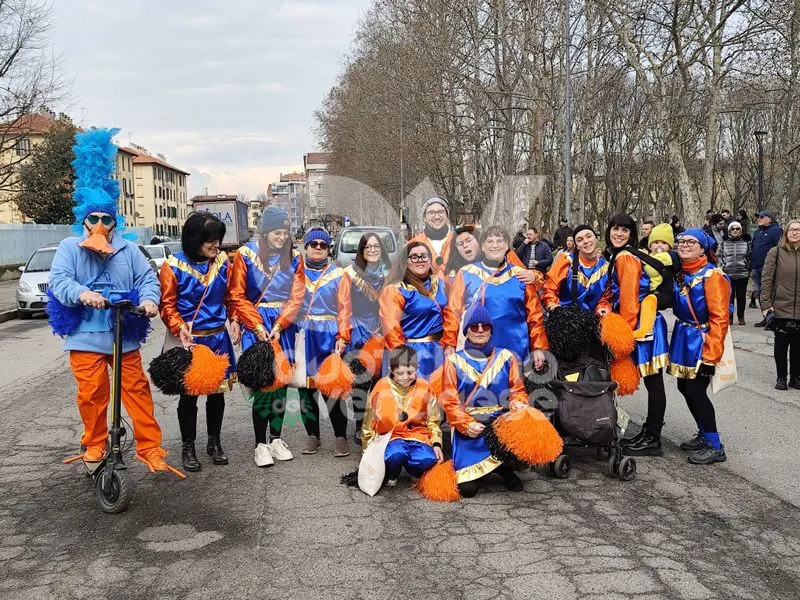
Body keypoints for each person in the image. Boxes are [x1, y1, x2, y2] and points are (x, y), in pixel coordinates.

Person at [47, 128, 176, 474]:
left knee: (136, 390)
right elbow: (59, 281)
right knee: (92, 394)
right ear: (84, 220)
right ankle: (94, 444)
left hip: (123, 333)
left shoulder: (129, 249)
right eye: (94, 218)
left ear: (115, 220)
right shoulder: (68, 248)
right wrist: (82, 293)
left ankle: (150, 447)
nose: (101, 224)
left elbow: (148, 279)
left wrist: (150, 301)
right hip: (86, 334)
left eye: (107, 218)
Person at [159, 212, 238, 472]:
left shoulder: (223, 262)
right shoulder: (173, 266)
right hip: (190, 341)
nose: (216, 246)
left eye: (218, 241)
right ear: (194, 240)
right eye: (210, 242)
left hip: (218, 339)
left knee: (217, 394)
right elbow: (167, 305)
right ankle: (188, 447)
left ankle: (214, 442)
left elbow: (230, 296)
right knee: (189, 397)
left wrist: (235, 319)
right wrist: (179, 327)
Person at [229, 206, 305, 467]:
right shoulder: (245, 255)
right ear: (264, 232)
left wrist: (282, 323)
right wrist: (256, 324)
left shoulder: (295, 257)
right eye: (276, 232)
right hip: (257, 323)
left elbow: (297, 295)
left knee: (281, 385)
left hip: (283, 324)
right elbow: (237, 295)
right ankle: (260, 444)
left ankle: (276, 439)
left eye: (285, 233)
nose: (281, 237)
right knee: (263, 384)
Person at [438, 305, 530, 497]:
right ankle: (489, 467)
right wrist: (466, 424)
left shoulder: (506, 357)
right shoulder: (454, 361)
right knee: (467, 491)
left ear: (491, 329)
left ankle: (504, 467)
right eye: (474, 326)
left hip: (500, 424)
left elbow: (518, 390)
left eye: (485, 326)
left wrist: (518, 403)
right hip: (471, 427)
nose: (480, 330)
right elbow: (450, 401)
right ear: (467, 331)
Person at [285, 227, 354, 457]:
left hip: (328, 334)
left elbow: (345, 308)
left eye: (322, 245)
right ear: (305, 247)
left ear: (328, 249)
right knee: (305, 391)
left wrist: (343, 336)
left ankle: (340, 436)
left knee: (332, 388)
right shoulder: (295, 273)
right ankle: (313, 435)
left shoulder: (338, 274)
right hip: (302, 334)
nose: (317, 248)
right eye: (313, 244)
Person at [605, 214, 670, 457]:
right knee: (654, 383)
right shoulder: (622, 254)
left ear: (631, 234)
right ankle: (649, 433)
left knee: (654, 383)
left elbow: (630, 300)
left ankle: (653, 438)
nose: (619, 234)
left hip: (643, 326)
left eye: (624, 230)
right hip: (643, 322)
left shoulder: (625, 257)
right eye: (615, 229)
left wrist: (625, 336)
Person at [667, 229, 730, 464]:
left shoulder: (713, 276)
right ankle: (704, 434)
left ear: (703, 248)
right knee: (684, 388)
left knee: (695, 390)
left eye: (690, 242)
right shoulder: (680, 273)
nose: (684, 245)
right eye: (681, 241)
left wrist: (710, 356)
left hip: (702, 340)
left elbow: (720, 318)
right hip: (683, 337)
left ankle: (715, 445)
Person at [444, 225, 549, 366]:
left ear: (507, 246)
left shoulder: (521, 275)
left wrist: (538, 347)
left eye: (500, 241)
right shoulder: (466, 273)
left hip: (516, 350)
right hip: (477, 351)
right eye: (490, 241)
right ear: (482, 246)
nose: (495, 245)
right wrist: (449, 343)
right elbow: (453, 311)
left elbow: (534, 315)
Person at [360, 346, 443, 486]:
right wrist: (367, 449)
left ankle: (415, 472)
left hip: (418, 435)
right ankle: (392, 473)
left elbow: (433, 420)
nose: (405, 377)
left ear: (418, 367)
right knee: (396, 454)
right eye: (400, 373)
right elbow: (369, 421)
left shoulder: (425, 387)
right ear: (391, 370)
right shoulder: (381, 387)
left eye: (410, 372)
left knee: (428, 459)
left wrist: (436, 443)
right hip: (391, 436)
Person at [343, 232, 391, 442]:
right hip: (359, 332)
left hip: (384, 333)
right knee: (360, 383)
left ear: (382, 249)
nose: (372, 250)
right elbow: (343, 305)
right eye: (367, 247)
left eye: (376, 246)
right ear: (361, 251)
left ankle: (381, 424)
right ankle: (359, 425)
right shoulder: (350, 274)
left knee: (383, 381)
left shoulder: (392, 274)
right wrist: (345, 334)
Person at [379, 240, 450, 380]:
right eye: (414, 257)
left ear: (430, 260)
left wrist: (449, 343)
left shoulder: (441, 283)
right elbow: (391, 329)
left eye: (424, 256)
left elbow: (450, 314)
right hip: (411, 353)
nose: (420, 260)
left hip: (439, 351)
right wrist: (402, 361)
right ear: (405, 262)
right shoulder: (395, 289)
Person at [760, 220, 800, 390]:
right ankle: (781, 377)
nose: (795, 233)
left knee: (798, 347)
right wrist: (766, 304)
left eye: (798, 230)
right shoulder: (775, 252)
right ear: (786, 233)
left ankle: (796, 378)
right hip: (780, 306)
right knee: (781, 345)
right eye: (792, 230)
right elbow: (767, 279)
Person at [542, 224, 612, 317]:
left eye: (589, 236)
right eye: (580, 240)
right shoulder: (566, 260)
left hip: (594, 324)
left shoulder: (606, 267)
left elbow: (606, 297)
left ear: (596, 239)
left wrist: (603, 308)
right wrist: (554, 306)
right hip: (566, 322)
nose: (586, 241)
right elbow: (550, 288)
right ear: (577, 246)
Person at [752, 210, 783, 325]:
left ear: (769, 219)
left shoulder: (776, 231)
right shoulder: (756, 232)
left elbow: (779, 249)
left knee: (771, 293)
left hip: (770, 269)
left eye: (761, 217)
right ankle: (765, 317)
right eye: (758, 217)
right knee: (760, 293)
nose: (758, 219)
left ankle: (774, 319)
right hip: (756, 268)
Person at [718, 221, 751, 326]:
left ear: (740, 230)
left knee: (741, 297)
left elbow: (749, 256)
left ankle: (741, 316)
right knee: (729, 297)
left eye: (737, 229)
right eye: (733, 229)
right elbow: (719, 256)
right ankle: (730, 317)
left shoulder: (746, 243)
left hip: (742, 274)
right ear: (729, 231)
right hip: (728, 274)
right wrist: (722, 268)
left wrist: (747, 266)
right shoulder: (724, 243)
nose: (735, 231)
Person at [408, 197, 454, 274]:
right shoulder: (413, 244)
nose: (437, 217)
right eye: (431, 212)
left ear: (447, 216)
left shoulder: (459, 242)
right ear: (424, 218)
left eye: (441, 212)